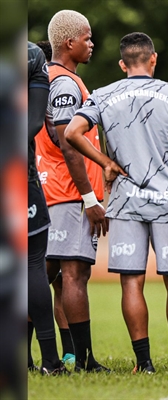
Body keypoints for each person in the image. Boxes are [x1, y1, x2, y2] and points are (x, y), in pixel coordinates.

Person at [65, 32, 168, 373]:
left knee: (131, 282)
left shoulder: (103, 95)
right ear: (153, 59)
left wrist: (106, 163)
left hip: (125, 203)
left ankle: (144, 363)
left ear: (123, 64)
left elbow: (71, 132)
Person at [35, 10, 109, 373]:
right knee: (73, 274)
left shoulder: (45, 78)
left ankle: (51, 358)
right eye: (87, 37)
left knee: (43, 275)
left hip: (52, 191)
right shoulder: (65, 83)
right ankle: (83, 360)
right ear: (69, 42)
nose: (92, 44)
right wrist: (90, 198)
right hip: (67, 194)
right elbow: (68, 144)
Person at [28, 41, 68, 375]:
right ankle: (52, 361)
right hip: (23, 178)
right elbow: (35, 126)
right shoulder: (32, 55)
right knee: (33, 266)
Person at [35, 39, 75, 366]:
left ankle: (68, 354)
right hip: (55, 194)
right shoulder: (47, 101)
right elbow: (64, 142)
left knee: (58, 280)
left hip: (40, 192)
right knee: (43, 278)